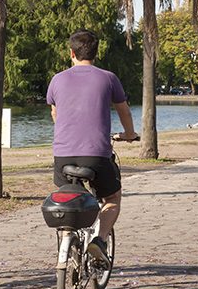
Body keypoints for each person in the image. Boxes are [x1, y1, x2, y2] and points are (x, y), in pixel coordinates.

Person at [47, 29, 137, 267]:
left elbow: (55, 112)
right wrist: (129, 134)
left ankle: (68, 237)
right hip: (96, 154)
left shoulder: (57, 79)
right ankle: (99, 239)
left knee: (68, 195)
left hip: (63, 154)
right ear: (96, 53)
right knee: (112, 198)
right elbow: (123, 110)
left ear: (71, 53)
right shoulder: (108, 78)